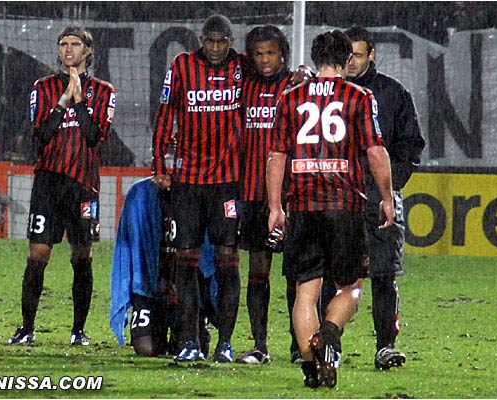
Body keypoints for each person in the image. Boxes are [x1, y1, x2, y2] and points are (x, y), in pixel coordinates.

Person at [266, 30, 395, 388]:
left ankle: (311, 369)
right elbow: (375, 152)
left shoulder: (290, 98)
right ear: (347, 59)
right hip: (345, 206)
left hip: (303, 205)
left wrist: (276, 206)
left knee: (305, 292)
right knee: (351, 288)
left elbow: (276, 156)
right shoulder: (358, 96)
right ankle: (329, 332)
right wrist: (386, 197)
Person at [8, 26, 115, 346]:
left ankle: (78, 331)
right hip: (48, 183)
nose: (68, 49)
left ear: (88, 51)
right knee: (38, 252)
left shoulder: (104, 91)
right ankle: (27, 328)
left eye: (75, 44)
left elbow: (95, 136)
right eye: (63, 44)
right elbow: (40, 135)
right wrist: (64, 99)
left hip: (83, 184)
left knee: (82, 256)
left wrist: (80, 101)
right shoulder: (42, 88)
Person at [152, 14, 244, 363]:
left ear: (231, 41)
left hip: (227, 183)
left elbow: (272, 82)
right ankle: (189, 339)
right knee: (185, 262)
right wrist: (160, 165)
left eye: (222, 42)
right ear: (201, 40)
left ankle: (225, 342)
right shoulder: (181, 66)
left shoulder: (242, 67)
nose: (216, 48)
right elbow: (165, 114)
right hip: (188, 181)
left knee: (227, 262)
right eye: (210, 41)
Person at [344, 25, 425, 370]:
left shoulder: (392, 93)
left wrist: (388, 185)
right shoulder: (331, 94)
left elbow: (411, 145)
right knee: (332, 272)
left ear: (371, 55)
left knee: (382, 273)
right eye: (345, 55)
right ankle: (320, 343)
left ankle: (385, 346)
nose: (350, 61)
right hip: (339, 195)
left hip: (379, 197)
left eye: (357, 55)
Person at [235, 25, 294, 365]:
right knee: (258, 271)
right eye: (258, 53)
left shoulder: (296, 87)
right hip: (252, 193)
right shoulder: (245, 86)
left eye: (270, 52)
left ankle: (298, 345)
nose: (265, 59)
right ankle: (260, 345)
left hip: (290, 196)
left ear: (282, 53)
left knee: (296, 273)